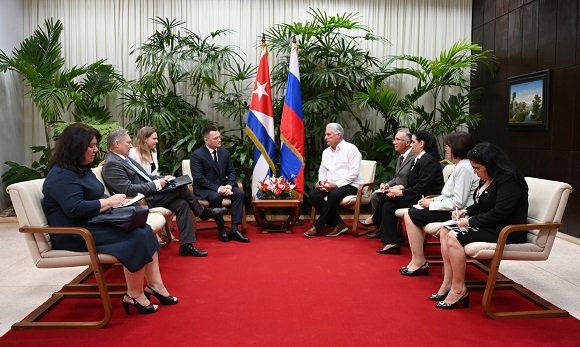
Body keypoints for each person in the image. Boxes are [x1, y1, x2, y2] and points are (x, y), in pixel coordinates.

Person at [42, 123, 177, 315]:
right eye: (91, 146)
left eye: (95, 145)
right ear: (75, 147)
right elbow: (75, 210)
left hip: (93, 223)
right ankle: (135, 294)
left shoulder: (81, 169)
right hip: (75, 232)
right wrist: (107, 202)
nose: (96, 150)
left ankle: (153, 286)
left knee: (144, 230)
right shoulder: (61, 176)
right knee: (137, 236)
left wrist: (115, 202)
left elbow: (94, 196)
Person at [431, 142, 528, 309]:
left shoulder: (509, 179)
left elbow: (500, 213)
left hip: (506, 230)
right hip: (491, 225)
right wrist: (465, 212)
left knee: (454, 236)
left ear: (490, 164)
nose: (475, 172)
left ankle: (458, 288)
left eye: (477, 168)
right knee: (446, 230)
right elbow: (480, 204)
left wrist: (469, 221)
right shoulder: (491, 178)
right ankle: (448, 282)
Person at [102, 128, 227, 257]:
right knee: (181, 187)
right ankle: (203, 213)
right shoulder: (112, 164)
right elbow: (128, 190)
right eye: (128, 142)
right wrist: (156, 184)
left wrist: (160, 179)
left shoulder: (124, 159)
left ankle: (186, 246)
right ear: (117, 144)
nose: (131, 145)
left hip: (149, 194)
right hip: (140, 200)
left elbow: (145, 177)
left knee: (182, 203)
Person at [400, 132, 478, 276]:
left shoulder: (464, 168)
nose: (446, 149)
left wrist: (431, 205)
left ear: (457, 147)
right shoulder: (460, 165)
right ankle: (417, 259)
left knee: (411, 214)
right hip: (450, 207)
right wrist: (432, 200)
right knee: (411, 212)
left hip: (458, 212)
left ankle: (419, 261)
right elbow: (448, 195)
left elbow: (458, 201)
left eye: (448, 146)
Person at [374, 130, 444, 254]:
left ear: (421, 143)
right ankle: (392, 241)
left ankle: (374, 220)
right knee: (388, 204)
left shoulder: (428, 160)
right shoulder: (419, 158)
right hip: (416, 194)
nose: (410, 145)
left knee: (385, 198)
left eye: (413, 142)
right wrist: (400, 188)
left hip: (426, 198)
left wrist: (402, 193)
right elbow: (414, 183)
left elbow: (423, 186)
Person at [190, 125, 249, 243]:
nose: (219, 140)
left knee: (239, 194)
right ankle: (221, 228)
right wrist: (218, 189)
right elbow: (199, 178)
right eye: (215, 138)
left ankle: (234, 229)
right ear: (206, 140)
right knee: (215, 197)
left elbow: (232, 172)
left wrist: (228, 185)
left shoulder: (224, 153)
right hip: (206, 188)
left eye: (219, 137)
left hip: (224, 186)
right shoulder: (197, 155)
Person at [304, 123, 363, 237]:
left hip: (351, 185)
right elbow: (322, 170)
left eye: (328, 134)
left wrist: (336, 185)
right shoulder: (326, 152)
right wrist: (322, 182)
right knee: (314, 195)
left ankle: (318, 226)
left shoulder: (351, 149)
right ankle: (338, 223)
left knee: (334, 194)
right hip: (330, 185)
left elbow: (354, 173)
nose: (325, 137)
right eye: (325, 134)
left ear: (338, 135)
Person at [362, 129, 416, 239]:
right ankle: (380, 229)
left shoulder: (415, 157)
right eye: (394, 139)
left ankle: (376, 220)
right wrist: (387, 185)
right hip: (397, 189)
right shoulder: (401, 156)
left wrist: (397, 189)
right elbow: (397, 178)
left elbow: (411, 180)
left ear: (407, 142)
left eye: (397, 139)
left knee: (384, 199)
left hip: (407, 192)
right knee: (375, 196)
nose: (394, 142)